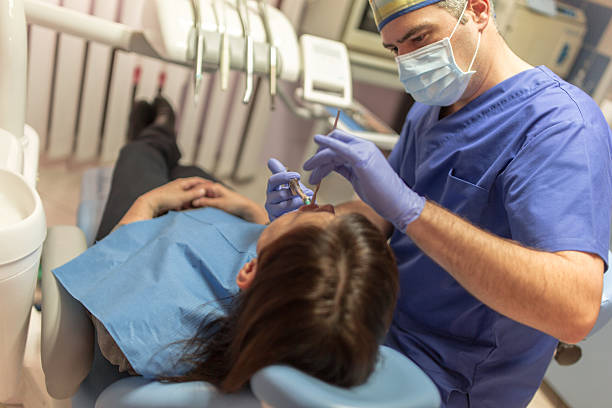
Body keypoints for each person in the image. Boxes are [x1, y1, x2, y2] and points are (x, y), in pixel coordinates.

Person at [266, 0, 612, 406]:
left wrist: (411, 209)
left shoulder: (559, 128)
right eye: (395, 49)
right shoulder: (429, 110)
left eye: (419, 37)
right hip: (380, 322)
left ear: (479, 11)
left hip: (454, 375)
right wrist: (310, 217)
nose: (409, 59)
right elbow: (385, 215)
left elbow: (573, 311)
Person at [52, 97, 399, 393]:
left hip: (155, 232)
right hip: (212, 228)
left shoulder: (154, 329)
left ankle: (156, 133)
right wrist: (249, 210)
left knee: (138, 159)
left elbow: (112, 271)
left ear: (250, 269)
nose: (319, 204)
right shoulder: (308, 319)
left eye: (298, 218)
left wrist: (150, 203)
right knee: (193, 173)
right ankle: (166, 147)